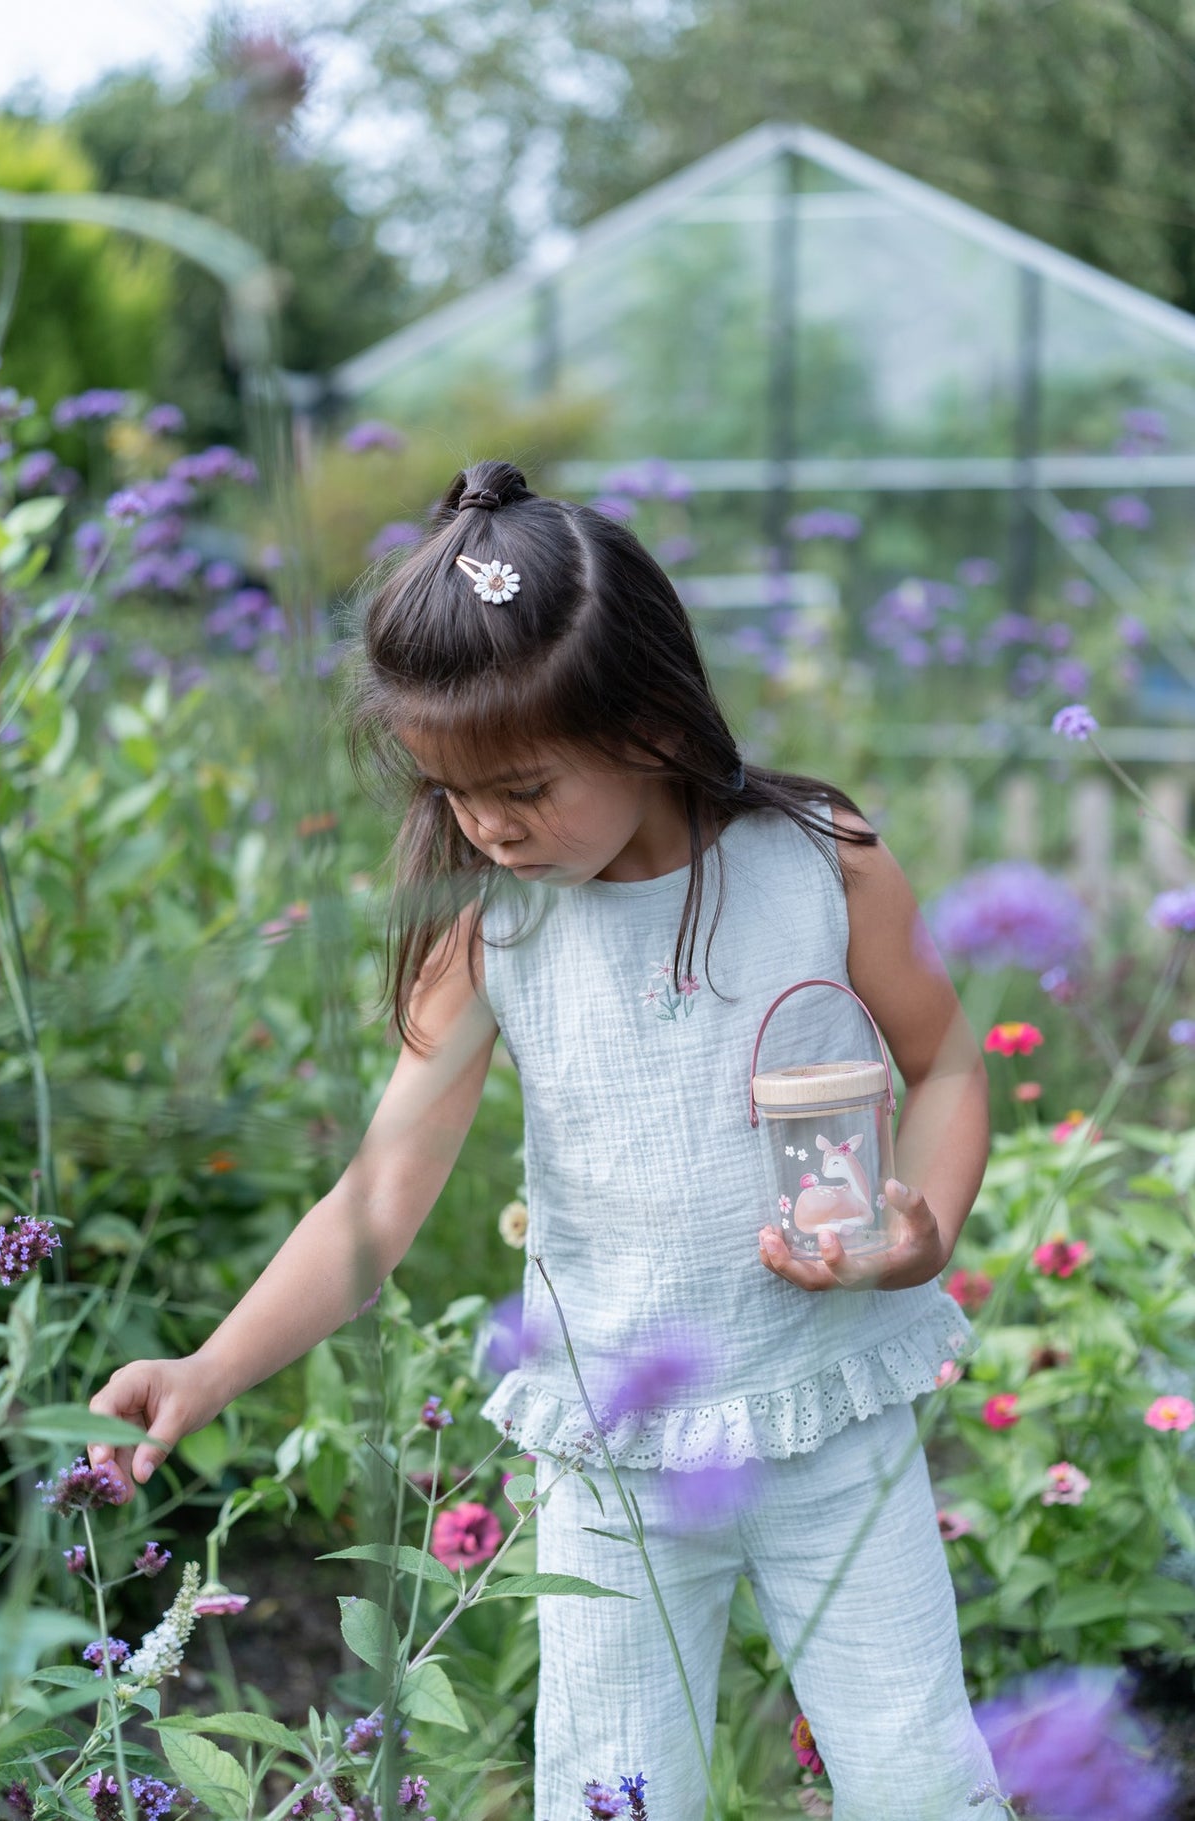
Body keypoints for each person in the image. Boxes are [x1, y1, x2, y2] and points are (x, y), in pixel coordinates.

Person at [88, 459, 999, 1820]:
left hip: (830, 1419)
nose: (486, 826)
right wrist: (207, 1368)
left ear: (647, 722)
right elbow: (378, 1197)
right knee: (613, 1792)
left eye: (519, 786)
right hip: (611, 1463)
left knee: (918, 1775)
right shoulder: (489, 929)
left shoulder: (821, 863)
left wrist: (917, 1229)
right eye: (452, 792)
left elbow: (945, 1063)